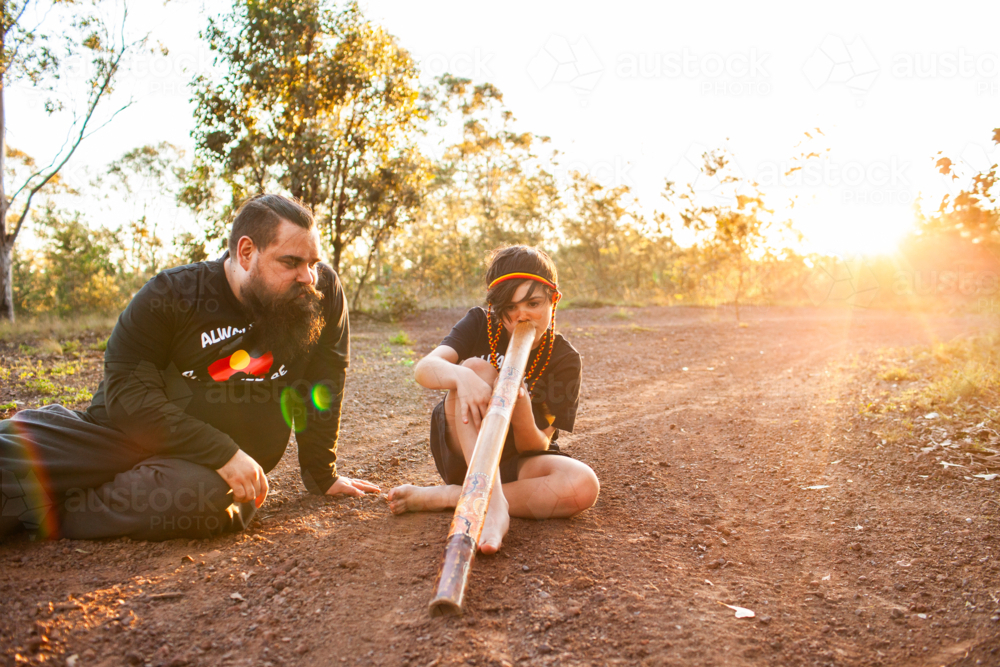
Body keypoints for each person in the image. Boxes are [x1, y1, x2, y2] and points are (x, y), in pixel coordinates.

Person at [0, 194, 378, 542]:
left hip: (212, 471)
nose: (308, 277)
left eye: (312, 263)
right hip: (122, 437)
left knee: (201, 500)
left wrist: (321, 473)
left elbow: (325, 378)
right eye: (291, 262)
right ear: (246, 252)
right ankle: (69, 487)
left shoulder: (319, 294)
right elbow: (126, 395)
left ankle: (50, 511)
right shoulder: (172, 295)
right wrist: (220, 450)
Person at [388, 245, 599, 553]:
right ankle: (493, 502)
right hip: (467, 449)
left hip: (515, 461)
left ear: (554, 300)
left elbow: (536, 446)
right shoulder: (479, 323)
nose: (520, 315)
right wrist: (464, 377)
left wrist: (522, 409)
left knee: (584, 485)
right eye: (508, 308)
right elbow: (424, 369)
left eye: (533, 303)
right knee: (475, 366)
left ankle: (454, 497)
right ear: (495, 307)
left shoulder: (565, 359)